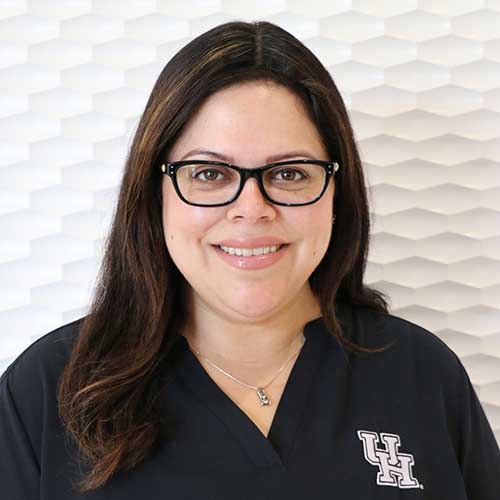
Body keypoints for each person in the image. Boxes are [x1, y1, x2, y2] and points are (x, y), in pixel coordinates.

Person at [1, 20, 499, 500]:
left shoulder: (421, 375)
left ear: (336, 193)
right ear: (155, 194)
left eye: (289, 174)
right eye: (210, 174)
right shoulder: (49, 390)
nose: (252, 209)